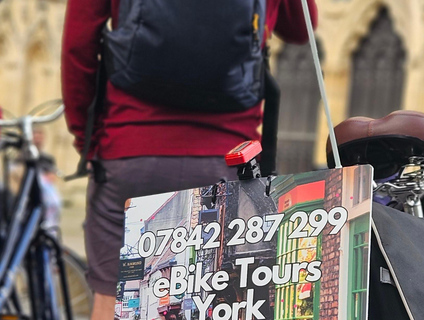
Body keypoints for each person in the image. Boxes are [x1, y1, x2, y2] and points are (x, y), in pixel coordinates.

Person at [61, 1, 318, 319]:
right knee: (223, 297)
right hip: (229, 159)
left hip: (130, 153)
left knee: (110, 299)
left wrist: (89, 142)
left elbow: (78, 46)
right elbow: (300, 28)